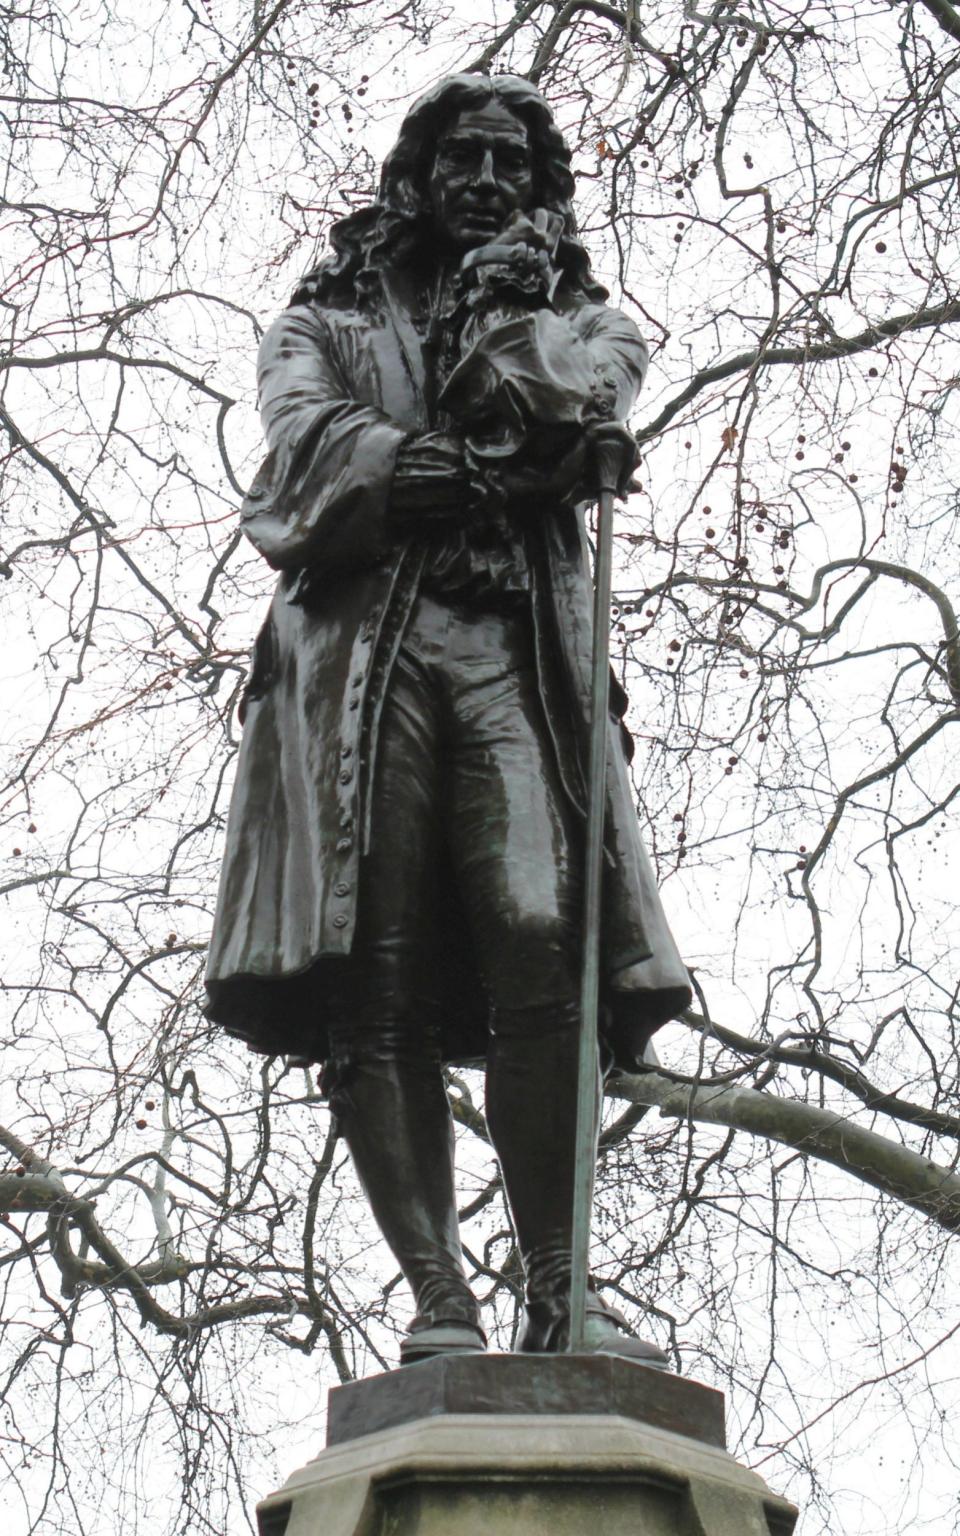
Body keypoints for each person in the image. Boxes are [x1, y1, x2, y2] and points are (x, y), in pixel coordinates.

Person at [204, 73, 691, 1366]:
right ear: (415, 180)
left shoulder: (586, 318)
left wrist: (501, 306)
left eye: (510, 163)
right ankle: (438, 1303)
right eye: (460, 156)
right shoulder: (325, 317)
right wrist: (407, 465)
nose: (484, 176)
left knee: (543, 930)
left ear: (539, 196)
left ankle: (560, 1289)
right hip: (357, 663)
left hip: (510, 653)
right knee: (376, 962)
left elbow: (564, 398)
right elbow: (300, 442)